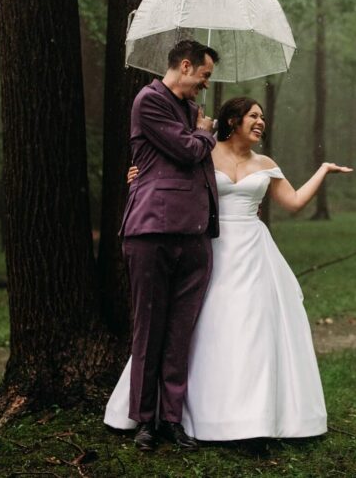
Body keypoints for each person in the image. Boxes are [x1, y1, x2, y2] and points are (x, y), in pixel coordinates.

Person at [106, 96, 351, 442]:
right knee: (199, 326)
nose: (261, 121)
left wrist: (323, 170)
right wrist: (139, 177)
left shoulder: (265, 163)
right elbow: (168, 178)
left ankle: (252, 415)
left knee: (252, 329)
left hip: (253, 250)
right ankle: (171, 411)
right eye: (253, 115)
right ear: (233, 120)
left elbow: (294, 202)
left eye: (262, 117)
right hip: (210, 246)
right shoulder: (203, 152)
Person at [117, 40, 220, 452]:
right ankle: (145, 421)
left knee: (180, 333)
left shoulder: (191, 111)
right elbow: (188, 149)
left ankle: (172, 419)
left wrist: (200, 129)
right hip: (151, 232)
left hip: (194, 234)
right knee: (149, 329)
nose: (205, 86)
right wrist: (204, 134)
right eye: (205, 76)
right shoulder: (150, 101)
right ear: (184, 66)